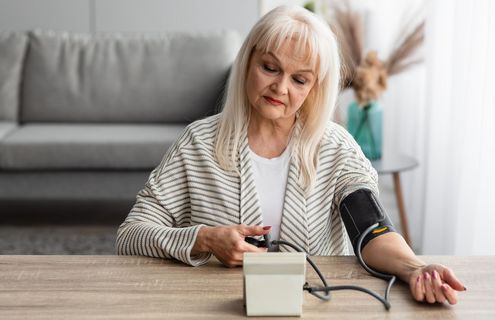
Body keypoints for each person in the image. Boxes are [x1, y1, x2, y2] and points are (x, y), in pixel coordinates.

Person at [116, 5, 465, 305]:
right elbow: (131, 234)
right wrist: (203, 239)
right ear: (248, 60)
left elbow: (372, 231)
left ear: (316, 88)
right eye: (270, 68)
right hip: (215, 308)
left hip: (314, 309)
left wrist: (415, 267)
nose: (280, 88)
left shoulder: (337, 148)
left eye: (300, 80)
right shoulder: (197, 144)